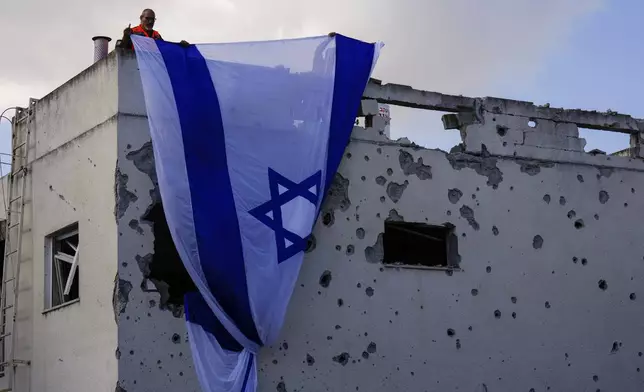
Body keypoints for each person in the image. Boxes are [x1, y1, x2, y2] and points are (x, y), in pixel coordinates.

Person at [119, 9, 189, 49]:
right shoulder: (132, 32)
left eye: (153, 19)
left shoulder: (157, 35)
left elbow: (165, 48)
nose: (150, 22)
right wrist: (126, 37)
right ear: (141, 18)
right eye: (147, 18)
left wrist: (180, 46)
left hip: (152, 69)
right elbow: (121, 51)